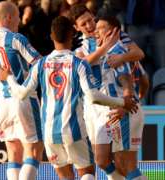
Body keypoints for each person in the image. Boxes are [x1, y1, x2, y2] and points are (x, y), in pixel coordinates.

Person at [0, 16, 136, 180]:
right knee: (86, 173)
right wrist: (122, 102)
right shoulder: (79, 63)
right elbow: (93, 97)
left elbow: (21, 94)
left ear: (51, 36)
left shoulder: (41, 64)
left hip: (49, 133)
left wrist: (8, 77)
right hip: (74, 130)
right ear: (72, 35)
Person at [69, 4, 144, 179]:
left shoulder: (115, 40)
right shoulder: (80, 49)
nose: (90, 26)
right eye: (84, 24)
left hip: (115, 104)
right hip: (93, 110)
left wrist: (128, 98)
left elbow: (137, 56)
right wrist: (105, 47)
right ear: (76, 28)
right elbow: (82, 63)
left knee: (124, 163)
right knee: (102, 161)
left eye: (91, 20)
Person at [0, 2, 43, 180]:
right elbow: (40, 64)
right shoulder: (16, 38)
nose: (19, 21)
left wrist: (4, 84)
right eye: (17, 16)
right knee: (34, 149)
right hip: (23, 98)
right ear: (8, 17)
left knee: (13, 152)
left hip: (2, 101)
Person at [94, 15, 148, 179]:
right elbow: (145, 80)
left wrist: (126, 103)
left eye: (101, 28)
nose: (96, 32)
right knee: (108, 161)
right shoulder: (122, 52)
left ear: (113, 31)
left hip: (124, 110)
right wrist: (138, 97)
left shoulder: (116, 53)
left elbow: (126, 80)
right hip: (123, 109)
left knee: (126, 165)